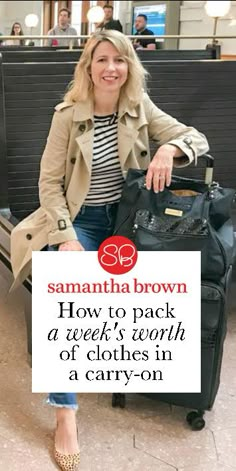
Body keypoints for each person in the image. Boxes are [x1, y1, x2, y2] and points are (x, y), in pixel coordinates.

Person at [10, 29, 209, 470]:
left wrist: (171, 148)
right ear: (88, 67)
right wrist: (66, 236)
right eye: (102, 60)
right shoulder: (67, 115)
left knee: (142, 301)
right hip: (77, 220)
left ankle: (128, 371)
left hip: (125, 223)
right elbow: (48, 184)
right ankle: (65, 412)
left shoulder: (139, 109)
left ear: (129, 67)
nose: (111, 68)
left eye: (119, 60)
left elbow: (197, 137)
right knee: (64, 308)